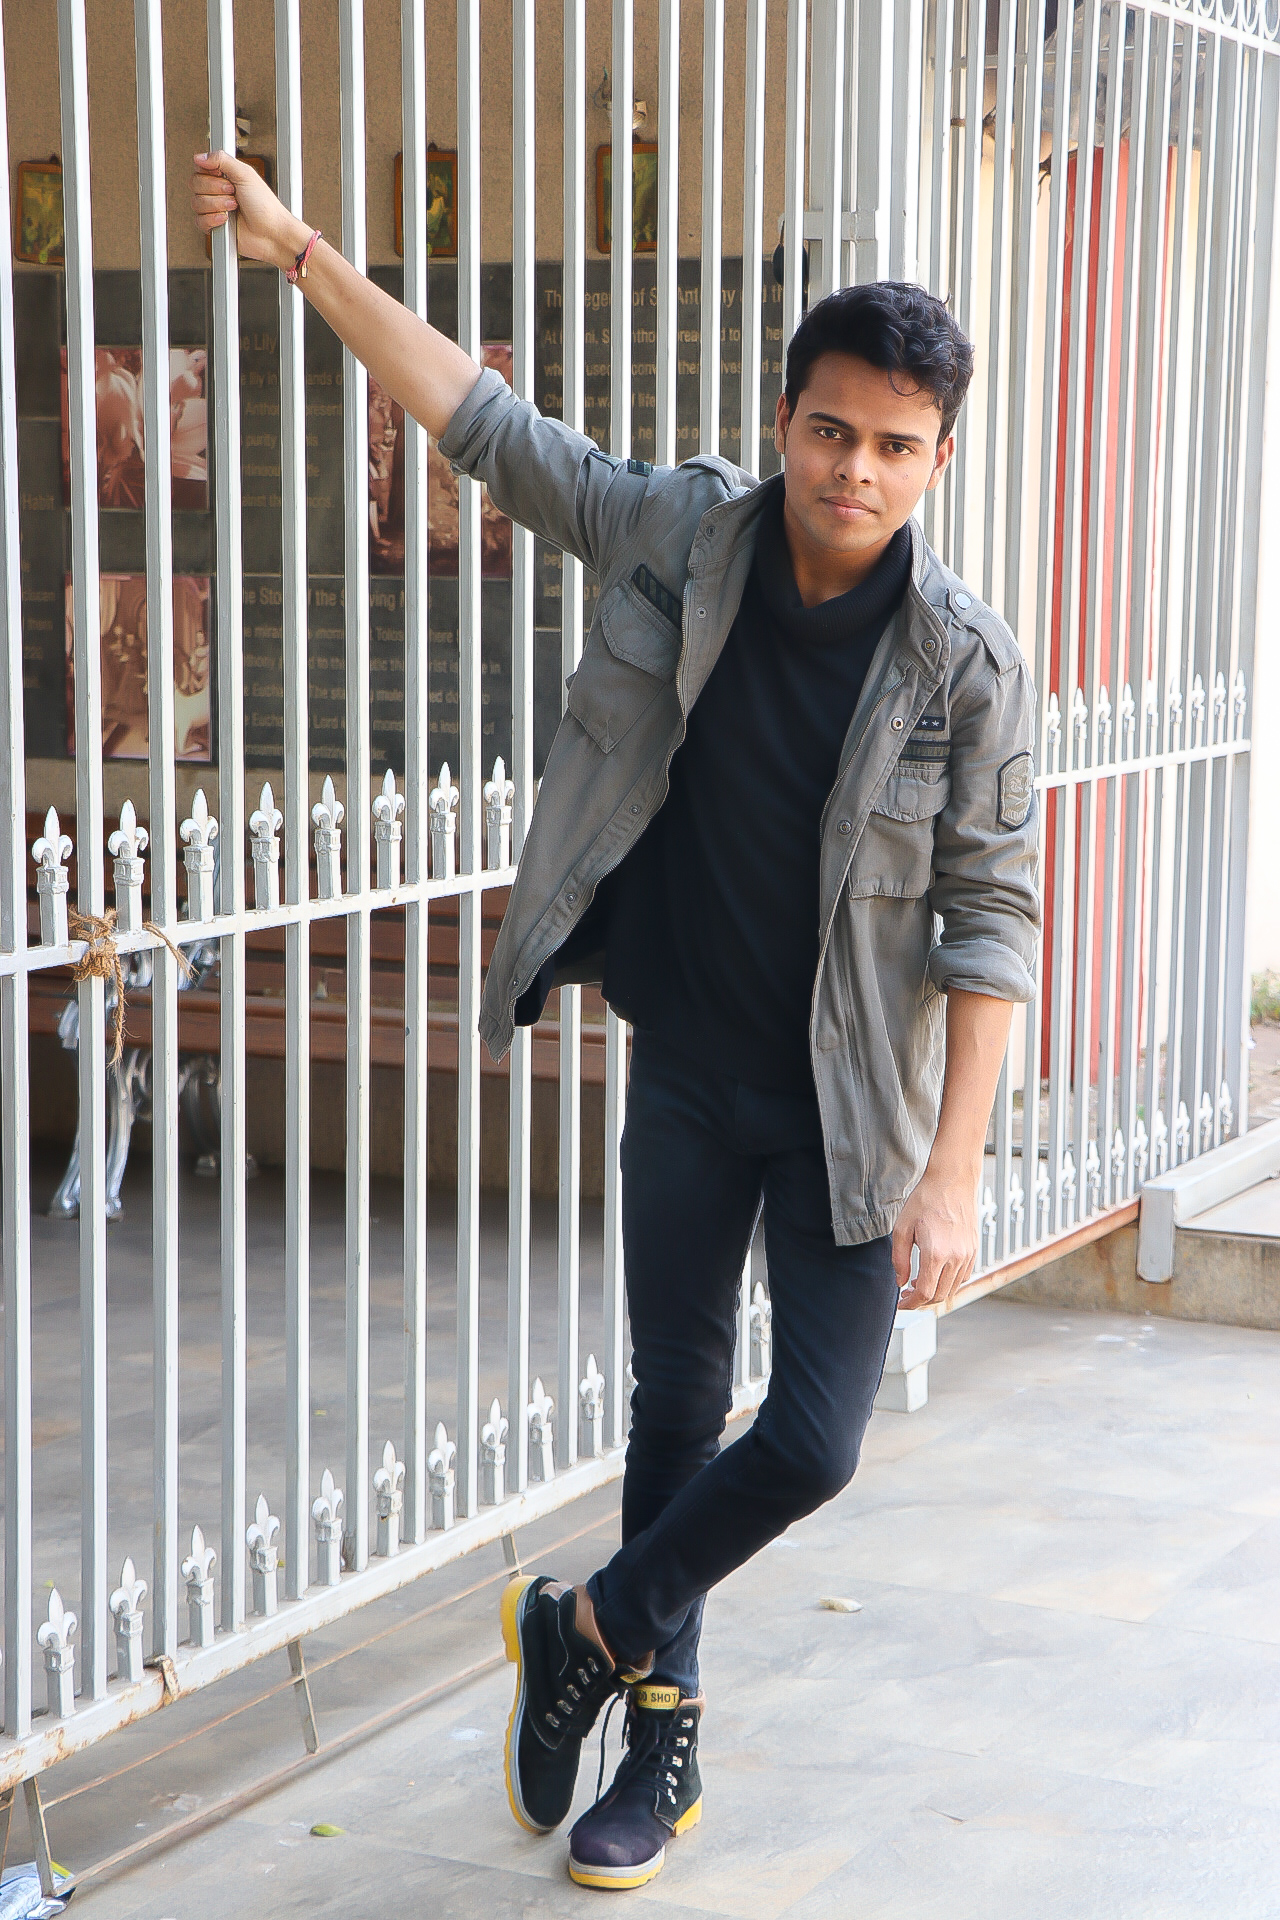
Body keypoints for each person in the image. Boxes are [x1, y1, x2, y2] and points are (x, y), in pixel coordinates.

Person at [191, 152, 1041, 1894]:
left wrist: (954, 1172)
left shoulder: (967, 667)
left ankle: (580, 1631)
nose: (855, 470)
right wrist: (302, 253)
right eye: (831, 431)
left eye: (895, 445)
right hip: (689, 1075)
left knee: (812, 1439)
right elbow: (492, 428)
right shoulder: (687, 535)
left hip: (851, 1113)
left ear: (939, 459)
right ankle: (662, 1743)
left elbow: (993, 921)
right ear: (785, 421)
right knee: (677, 1407)